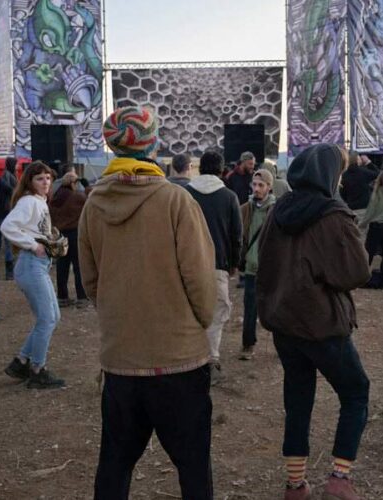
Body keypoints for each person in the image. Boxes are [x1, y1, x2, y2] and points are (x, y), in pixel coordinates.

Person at [78, 106, 216, 499]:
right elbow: (201, 281)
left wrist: (120, 312)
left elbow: (91, 282)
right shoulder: (175, 201)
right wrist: (198, 324)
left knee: (115, 466)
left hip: (121, 360)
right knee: (192, 468)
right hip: (179, 360)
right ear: (152, 144)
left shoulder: (93, 206)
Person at [257, 143, 372, 500]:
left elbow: (265, 263)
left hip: (284, 323)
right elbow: (356, 272)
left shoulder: (278, 212)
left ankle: (295, 485)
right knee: (356, 392)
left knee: (298, 399)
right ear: (331, 175)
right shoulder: (333, 216)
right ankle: (339, 478)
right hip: (322, 325)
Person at [0, 161, 65, 389]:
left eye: (48, 177)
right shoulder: (29, 201)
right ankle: (38, 369)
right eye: (40, 178)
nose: (45, 182)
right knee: (47, 318)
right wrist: (31, 244)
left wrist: (48, 239)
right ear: (30, 181)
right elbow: (7, 226)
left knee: (52, 317)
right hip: (31, 264)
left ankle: (21, 361)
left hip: (37, 265)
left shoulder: (39, 202)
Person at [187, 150, 242, 385]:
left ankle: (188, 359)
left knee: (188, 311)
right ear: (222, 170)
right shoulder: (229, 197)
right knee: (216, 313)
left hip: (187, 263)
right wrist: (233, 263)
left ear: (199, 169)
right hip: (218, 264)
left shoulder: (184, 194)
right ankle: (211, 358)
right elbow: (236, 235)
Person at [238, 168, 277, 361]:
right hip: (252, 267)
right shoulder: (246, 208)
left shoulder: (276, 210)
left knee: (276, 308)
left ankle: (283, 345)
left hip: (271, 268)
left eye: (261, 185)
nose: (257, 188)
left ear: (269, 187)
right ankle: (248, 344)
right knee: (250, 308)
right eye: (254, 184)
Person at [49, 168, 89, 308]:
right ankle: (82, 297)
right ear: (73, 183)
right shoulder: (77, 197)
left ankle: (62, 296)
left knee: (62, 265)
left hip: (60, 234)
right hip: (74, 233)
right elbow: (91, 200)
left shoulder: (54, 198)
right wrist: (87, 186)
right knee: (78, 265)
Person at [339, 150, 379, 225]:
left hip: (350, 208)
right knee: (362, 233)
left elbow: (342, 193)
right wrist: (368, 162)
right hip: (363, 208)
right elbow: (377, 173)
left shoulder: (344, 175)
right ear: (357, 159)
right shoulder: (363, 172)